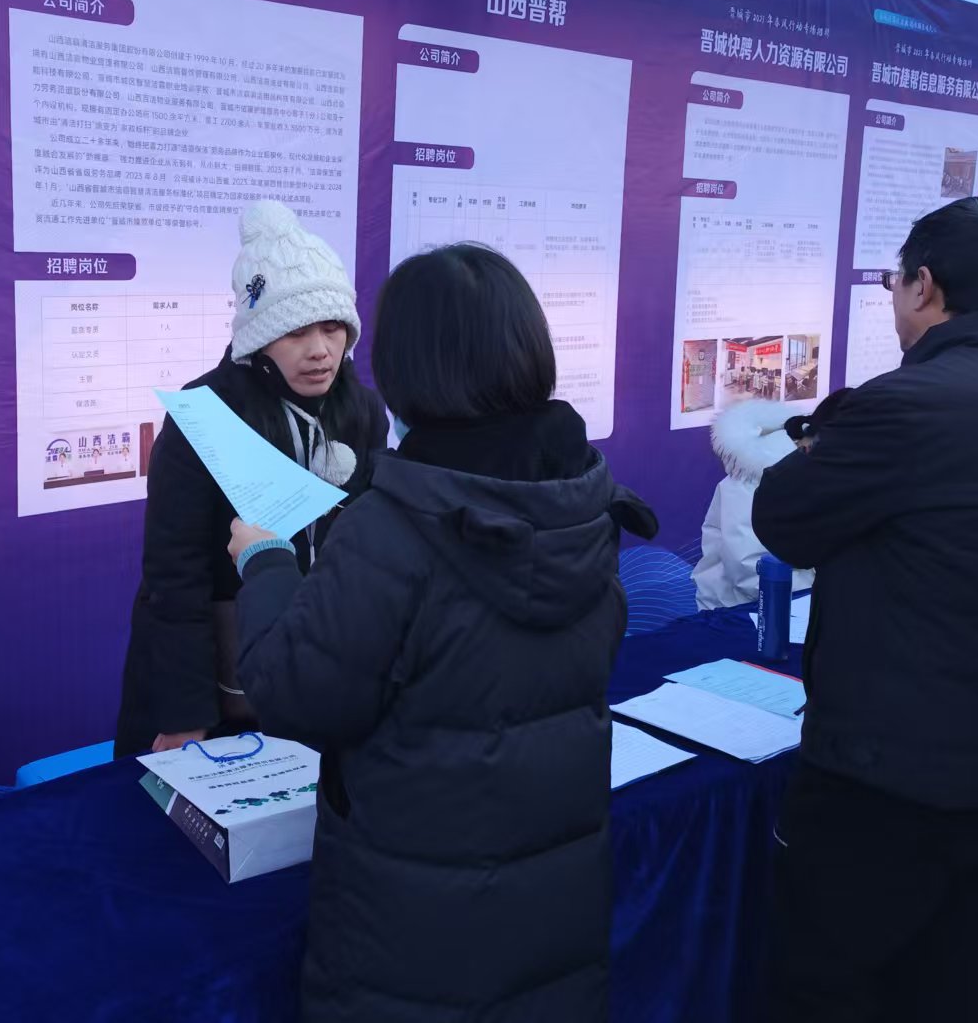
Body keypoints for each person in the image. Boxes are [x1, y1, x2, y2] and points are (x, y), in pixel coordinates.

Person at [227, 243, 657, 1022]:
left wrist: (265, 562)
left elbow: (295, 692)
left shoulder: (396, 528)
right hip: (551, 924)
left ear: (405, 367)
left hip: (411, 943)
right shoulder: (585, 502)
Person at [752, 197, 978, 1022]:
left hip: (888, 782)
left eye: (893, 281)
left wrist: (820, 436)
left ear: (924, 286)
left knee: (827, 986)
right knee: (953, 990)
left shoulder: (905, 403)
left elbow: (782, 516)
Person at [113, 200, 386, 758]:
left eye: (333, 327)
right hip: (219, 682)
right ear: (259, 336)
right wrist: (185, 715)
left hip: (323, 672)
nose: (320, 350)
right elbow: (174, 573)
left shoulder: (363, 411)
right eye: (296, 331)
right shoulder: (205, 412)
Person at [692, 399, 814, 609]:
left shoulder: (805, 475)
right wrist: (823, 584)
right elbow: (749, 570)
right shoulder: (750, 483)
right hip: (738, 609)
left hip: (790, 601)